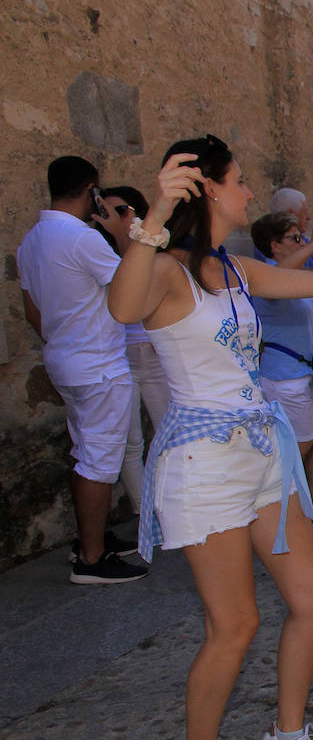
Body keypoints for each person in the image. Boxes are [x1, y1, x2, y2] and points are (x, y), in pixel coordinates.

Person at [107, 133, 313, 740]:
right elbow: (122, 308)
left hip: (261, 455)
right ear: (209, 188)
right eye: (240, 180)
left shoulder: (238, 269)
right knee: (235, 623)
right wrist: (156, 213)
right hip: (204, 464)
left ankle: (287, 734)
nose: (250, 191)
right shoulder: (166, 269)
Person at [18, 156, 148, 585]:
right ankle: (92, 559)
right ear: (92, 189)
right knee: (97, 462)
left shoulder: (32, 241)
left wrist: (62, 340)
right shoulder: (81, 239)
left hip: (65, 360)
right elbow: (135, 283)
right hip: (98, 365)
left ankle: (90, 541)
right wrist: (120, 234)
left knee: (85, 455)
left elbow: (31, 308)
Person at [249, 212, 313, 530]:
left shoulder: (295, 276)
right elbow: (282, 276)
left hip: (310, 371)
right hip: (284, 375)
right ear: (274, 245)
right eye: (295, 238)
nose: (303, 242)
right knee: (298, 446)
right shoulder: (266, 277)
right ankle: (281, 511)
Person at [92, 185, 170, 521]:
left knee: (168, 432)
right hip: (118, 351)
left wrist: (126, 235)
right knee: (130, 443)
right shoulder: (97, 247)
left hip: (151, 350)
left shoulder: (152, 242)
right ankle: (146, 513)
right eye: (107, 212)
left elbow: (139, 280)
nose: (115, 218)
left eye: (121, 210)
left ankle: (174, 506)